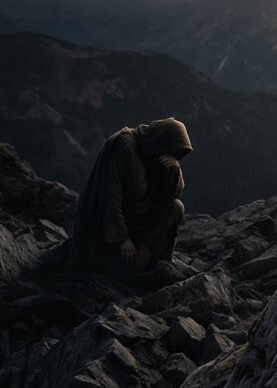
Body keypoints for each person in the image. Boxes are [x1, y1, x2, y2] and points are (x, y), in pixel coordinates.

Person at [47, 117, 192, 278]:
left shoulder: (153, 154)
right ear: (161, 141)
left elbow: (170, 195)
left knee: (176, 207)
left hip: (136, 219)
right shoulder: (123, 145)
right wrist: (122, 239)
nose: (172, 155)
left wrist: (174, 168)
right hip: (107, 228)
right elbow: (111, 196)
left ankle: (158, 260)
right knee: (130, 269)